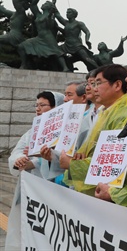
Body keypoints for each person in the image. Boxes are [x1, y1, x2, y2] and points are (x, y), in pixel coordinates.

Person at [62, 64, 127, 212]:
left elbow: (113, 162)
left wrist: (72, 165)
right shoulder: (106, 112)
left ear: (117, 85)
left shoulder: (125, 113)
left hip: (117, 201)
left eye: (98, 83)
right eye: (92, 84)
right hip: (101, 194)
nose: (93, 88)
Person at [7, 91, 64, 251]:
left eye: (43, 105)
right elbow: (17, 152)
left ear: (56, 107)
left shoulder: (63, 131)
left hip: (50, 190)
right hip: (27, 189)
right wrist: (19, 159)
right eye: (36, 105)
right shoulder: (32, 131)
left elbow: (59, 157)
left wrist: (34, 162)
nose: (38, 109)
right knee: (23, 230)